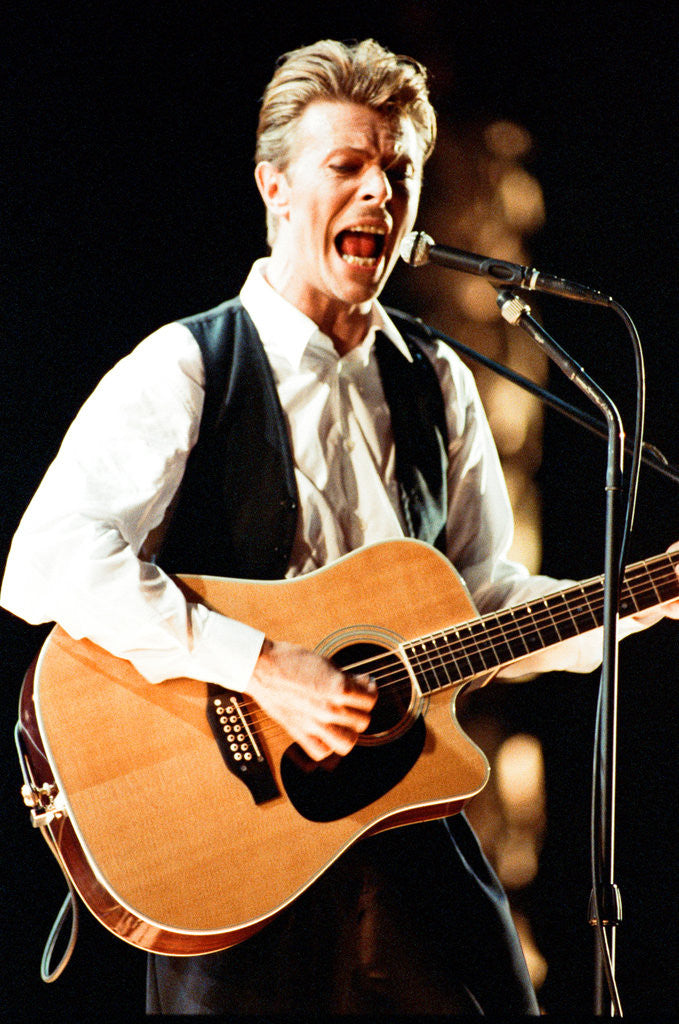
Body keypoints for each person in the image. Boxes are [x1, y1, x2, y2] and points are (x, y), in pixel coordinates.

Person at [3, 38, 678, 1015]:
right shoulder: (188, 365)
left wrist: (640, 597)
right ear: (275, 187)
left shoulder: (437, 378)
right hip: (235, 838)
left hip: (404, 817)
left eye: (397, 171)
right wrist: (262, 665)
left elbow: (482, 599)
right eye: (347, 165)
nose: (378, 193)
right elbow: (47, 562)